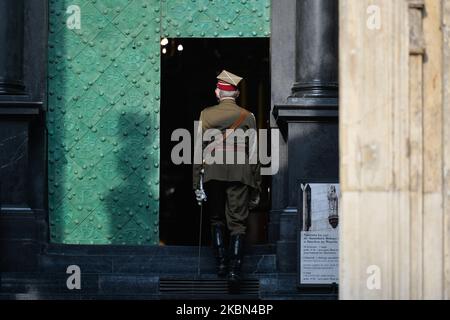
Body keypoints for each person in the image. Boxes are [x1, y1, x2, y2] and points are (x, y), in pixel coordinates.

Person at [193, 70, 261, 290]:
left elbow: (197, 152)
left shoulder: (205, 114)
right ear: (237, 93)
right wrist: (257, 186)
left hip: (213, 172)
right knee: (238, 223)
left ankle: (221, 262)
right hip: (240, 174)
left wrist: (196, 183)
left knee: (216, 218)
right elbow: (254, 155)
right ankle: (234, 271)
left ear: (217, 92)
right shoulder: (248, 116)